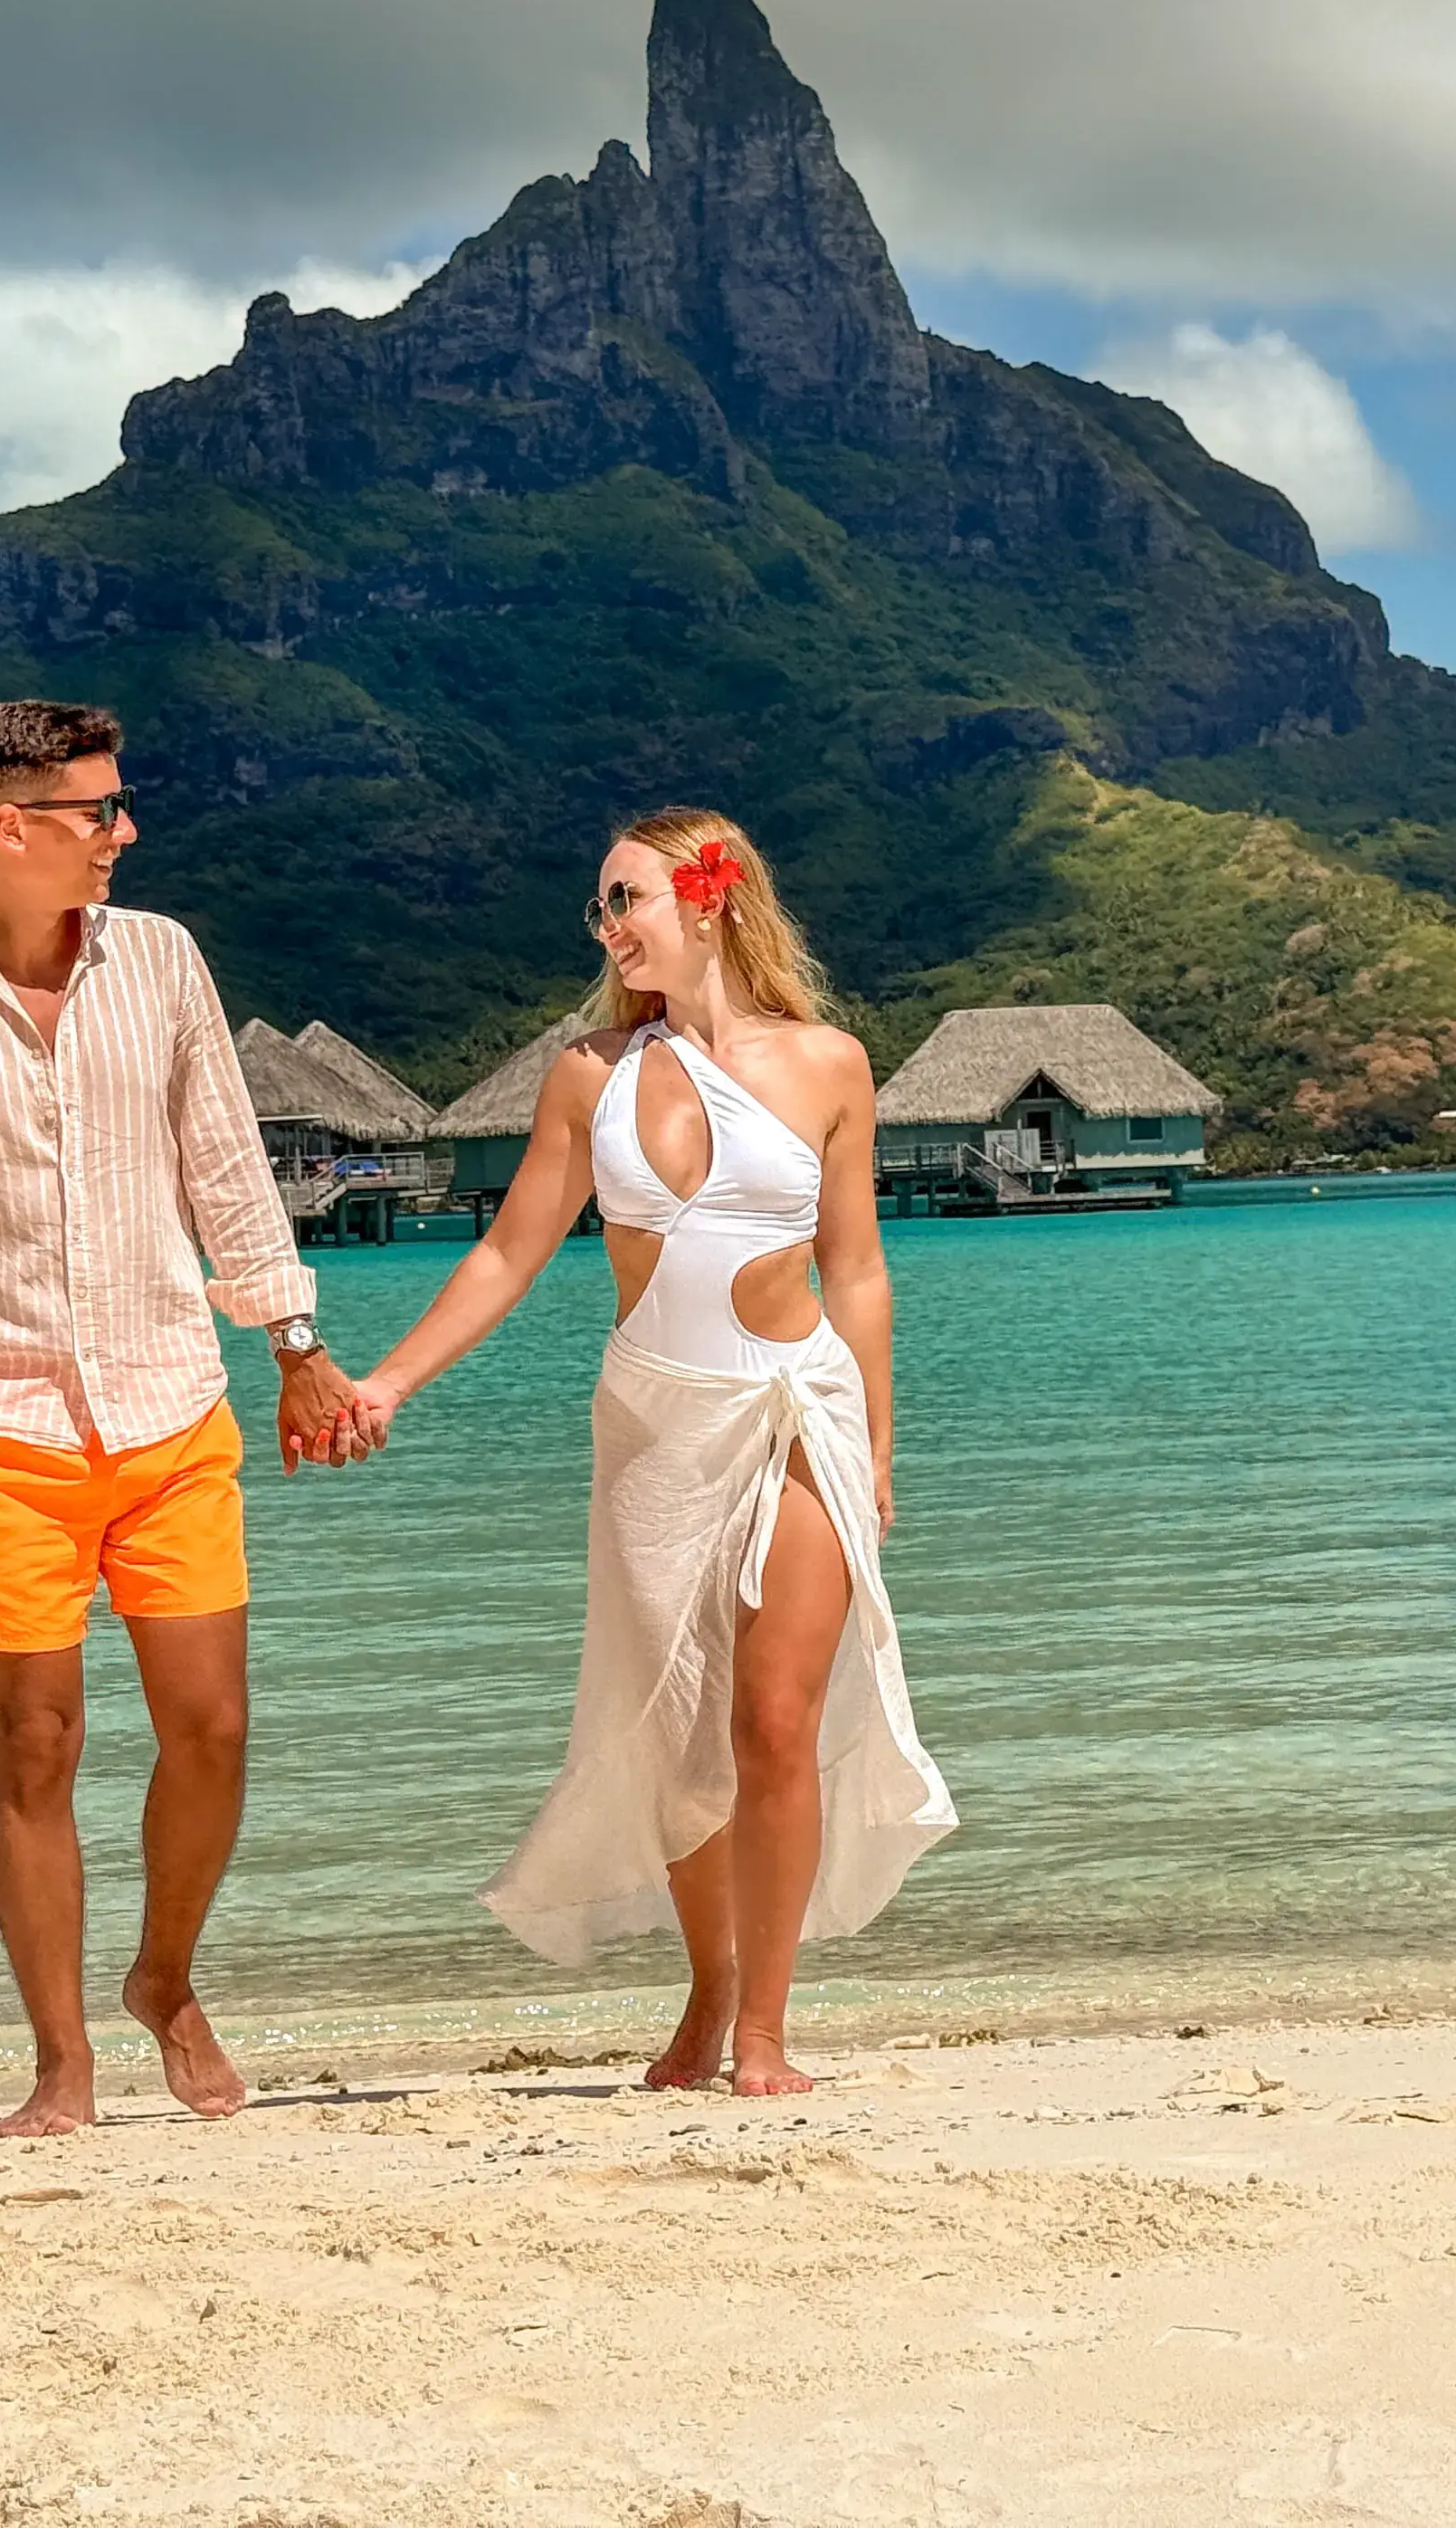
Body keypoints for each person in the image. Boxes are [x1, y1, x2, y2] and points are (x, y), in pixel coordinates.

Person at [0, 699, 363, 2137]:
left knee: (213, 1728)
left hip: (172, 1399)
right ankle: (63, 2060)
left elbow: (227, 1167)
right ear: (4, 827)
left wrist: (295, 1345)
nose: (126, 832)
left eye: (119, 806)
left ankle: (163, 1980)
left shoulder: (162, 961)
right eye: (96, 812)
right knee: (35, 1743)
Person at [347, 807, 955, 2094]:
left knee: (774, 1716)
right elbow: (509, 1252)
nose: (610, 927)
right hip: (655, 1426)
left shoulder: (831, 1062)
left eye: (627, 899)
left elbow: (857, 1271)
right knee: (683, 1741)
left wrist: (879, 1449)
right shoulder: (589, 1077)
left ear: (709, 900)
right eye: (602, 907)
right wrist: (388, 1380)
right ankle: (708, 1997)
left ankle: (767, 2039)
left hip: (800, 1414)